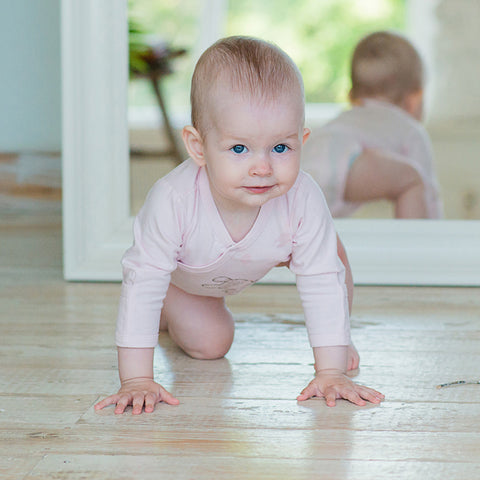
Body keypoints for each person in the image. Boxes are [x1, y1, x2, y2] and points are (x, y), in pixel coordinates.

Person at [95, 36, 384, 415]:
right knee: (211, 344)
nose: (262, 167)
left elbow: (320, 277)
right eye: (239, 149)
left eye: (281, 148)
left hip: (244, 262)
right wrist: (135, 379)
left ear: (302, 140)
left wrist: (330, 370)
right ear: (198, 147)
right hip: (184, 279)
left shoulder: (302, 197)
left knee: (331, 253)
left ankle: (339, 340)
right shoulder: (173, 200)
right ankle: (169, 308)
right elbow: (143, 279)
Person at [302, 31, 443, 219]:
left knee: (302, 217)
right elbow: (429, 194)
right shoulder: (411, 130)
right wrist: (437, 231)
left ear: (351, 97)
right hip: (347, 159)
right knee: (414, 180)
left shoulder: (344, 120)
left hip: (307, 154)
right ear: (414, 100)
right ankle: (414, 243)